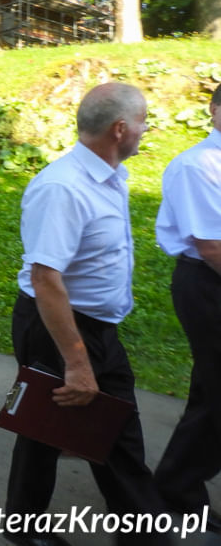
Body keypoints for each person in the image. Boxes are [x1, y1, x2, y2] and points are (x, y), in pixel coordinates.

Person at [3, 83, 170, 546]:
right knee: (69, 430)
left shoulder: (112, 176)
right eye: (142, 121)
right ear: (120, 129)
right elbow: (45, 280)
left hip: (94, 327)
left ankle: (21, 522)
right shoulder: (63, 187)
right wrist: (77, 363)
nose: (146, 128)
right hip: (59, 326)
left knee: (58, 429)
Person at [153, 83, 221, 532]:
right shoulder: (199, 165)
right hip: (207, 282)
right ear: (215, 111)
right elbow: (211, 245)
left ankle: (178, 479)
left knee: (211, 386)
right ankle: (176, 485)